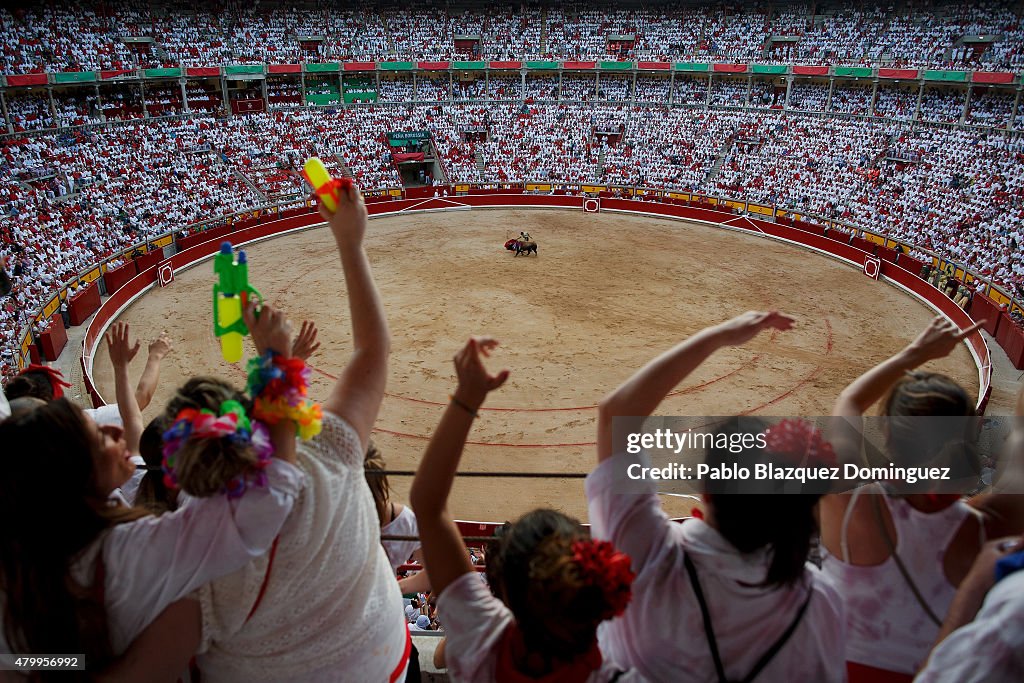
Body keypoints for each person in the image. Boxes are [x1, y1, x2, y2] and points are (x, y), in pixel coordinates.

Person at [105, 179, 411, 682]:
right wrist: (350, 243)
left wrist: (37, 666)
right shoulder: (328, 454)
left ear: (180, 474)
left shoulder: (187, 559)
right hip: (388, 665)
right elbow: (372, 351)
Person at [0, 307, 305, 674]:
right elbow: (273, 496)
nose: (116, 435)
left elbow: (13, 664)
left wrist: (74, 671)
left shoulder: (18, 561)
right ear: (75, 476)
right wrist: (279, 364)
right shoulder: (132, 550)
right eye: (98, 439)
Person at [588, 311, 845, 682]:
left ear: (706, 491)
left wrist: (718, 336)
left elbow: (616, 413)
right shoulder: (819, 602)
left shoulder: (649, 557)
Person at [411, 336, 645, 682]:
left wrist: (467, 398)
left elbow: (428, 506)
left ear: (503, 591)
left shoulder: (482, 644)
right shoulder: (620, 670)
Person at [819, 316, 992, 682]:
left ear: (885, 430)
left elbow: (849, 399)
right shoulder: (979, 531)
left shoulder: (848, 499)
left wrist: (915, 354)